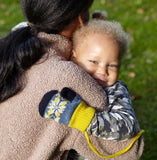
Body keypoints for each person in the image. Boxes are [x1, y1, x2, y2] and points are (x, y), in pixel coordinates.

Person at [0, 0, 144, 160]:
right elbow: (129, 150)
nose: (102, 71)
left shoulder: (13, 44)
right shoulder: (68, 77)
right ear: (81, 19)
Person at [42, 20, 143, 160]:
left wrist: (81, 117)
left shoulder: (116, 90)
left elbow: (126, 126)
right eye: (94, 62)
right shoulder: (66, 79)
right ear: (74, 57)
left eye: (112, 65)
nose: (102, 71)